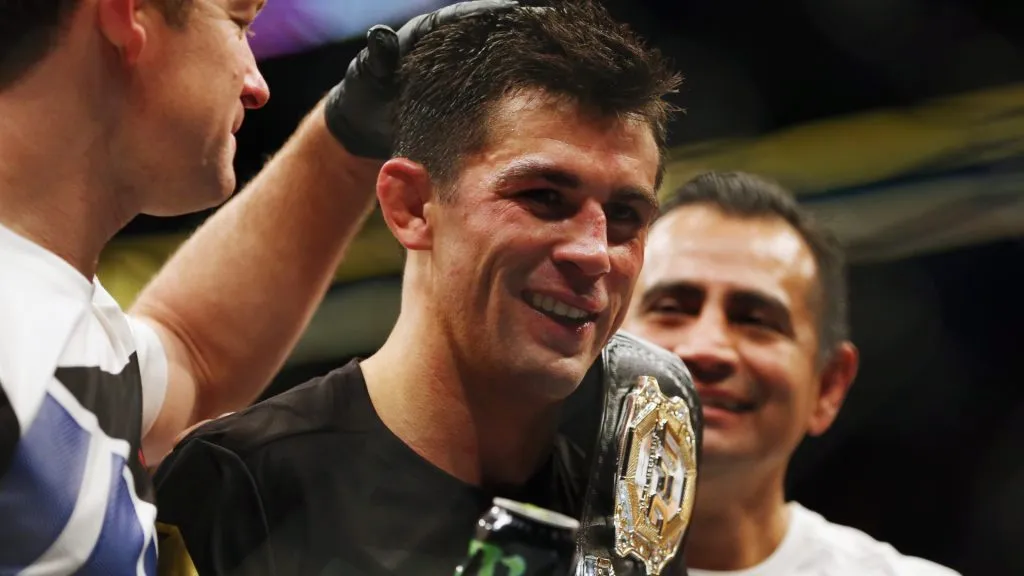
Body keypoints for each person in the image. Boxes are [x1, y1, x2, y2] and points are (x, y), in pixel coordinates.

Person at [153, 3, 702, 575]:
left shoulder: (639, 470)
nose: (593, 252)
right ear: (413, 206)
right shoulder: (242, 482)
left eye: (625, 215)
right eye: (543, 197)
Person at [0, 0, 515, 573]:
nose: (257, 85)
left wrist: (349, 131)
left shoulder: (53, 314)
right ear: (129, 13)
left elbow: (195, 349)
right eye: (238, 23)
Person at [622, 171, 960, 576]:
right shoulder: (532, 554)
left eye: (756, 320)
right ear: (607, 342)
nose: (707, 348)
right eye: (671, 308)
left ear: (828, 386)